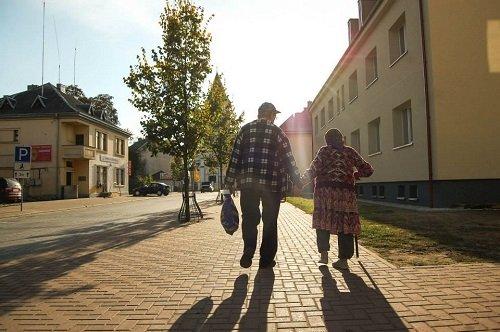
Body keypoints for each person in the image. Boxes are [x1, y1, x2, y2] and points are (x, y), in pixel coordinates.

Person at [225, 102, 302, 269]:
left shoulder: (244, 130)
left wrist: (229, 182)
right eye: (275, 115)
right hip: (271, 185)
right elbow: (288, 159)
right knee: (270, 222)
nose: (275, 118)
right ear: (272, 114)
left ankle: (249, 249)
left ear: (259, 113)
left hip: (248, 184)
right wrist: (298, 180)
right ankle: (266, 260)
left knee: (250, 218)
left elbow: (235, 158)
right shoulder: (278, 132)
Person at [302, 128, 373, 270]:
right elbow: (368, 170)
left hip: (325, 193)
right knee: (345, 224)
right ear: (341, 138)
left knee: (322, 221)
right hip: (345, 194)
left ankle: (323, 254)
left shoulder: (324, 151)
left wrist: (301, 182)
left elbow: (313, 169)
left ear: (327, 140)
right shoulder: (350, 152)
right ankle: (343, 260)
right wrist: (356, 174)